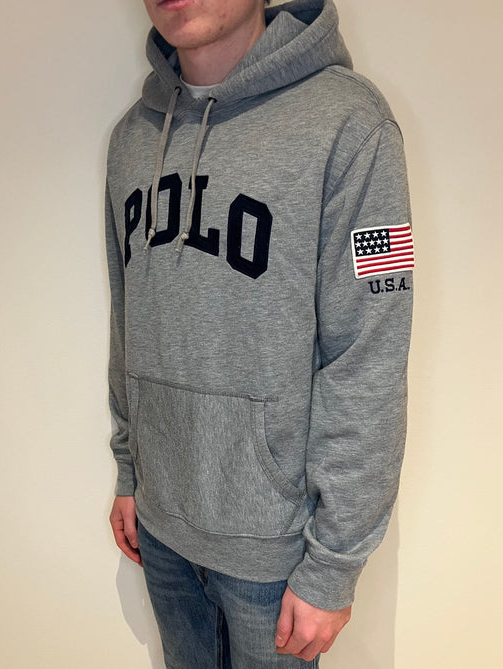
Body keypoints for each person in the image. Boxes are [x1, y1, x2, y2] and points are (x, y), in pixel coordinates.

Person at [106, 0, 414, 666]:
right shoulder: (133, 136)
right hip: (160, 527)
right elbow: (128, 318)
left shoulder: (351, 125)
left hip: (276, 551)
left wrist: (334, 562)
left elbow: (370, 352)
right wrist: (131, 469)